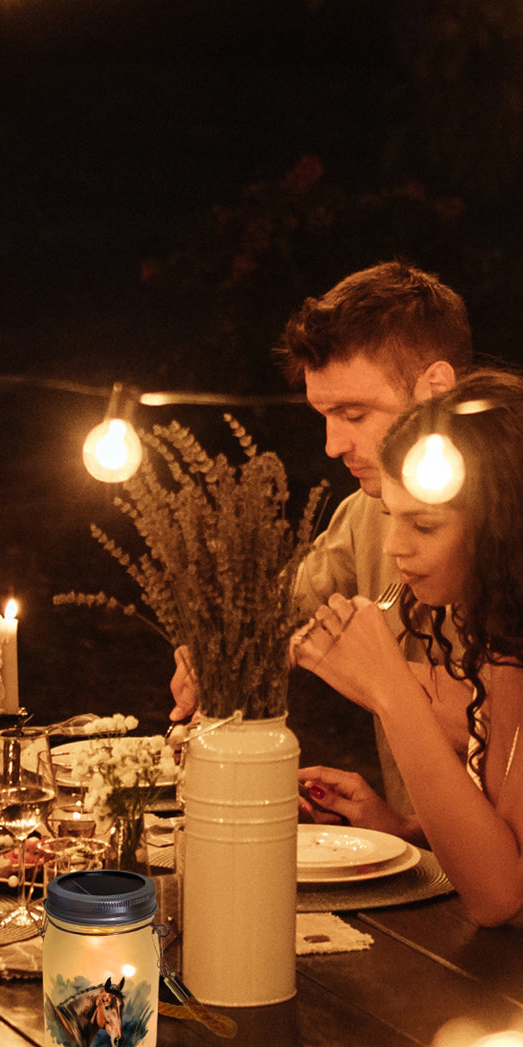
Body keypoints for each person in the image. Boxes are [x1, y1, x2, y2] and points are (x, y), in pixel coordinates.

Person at [169, 261, 473, 811]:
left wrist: (378, 677)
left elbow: (502, 731)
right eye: (323, 415)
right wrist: (214, 652)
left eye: (354, 413)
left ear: (435, 388)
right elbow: (274, 618)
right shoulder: (366, 512)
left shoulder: (506, 515)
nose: (332, 444)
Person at [294, 370, 523, 927]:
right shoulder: (504, 646)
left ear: (504, 526)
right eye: (393, 519)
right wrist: (404, 828)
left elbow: (501, 897)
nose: (395, 547)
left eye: (423, 524)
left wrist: (391, 691)